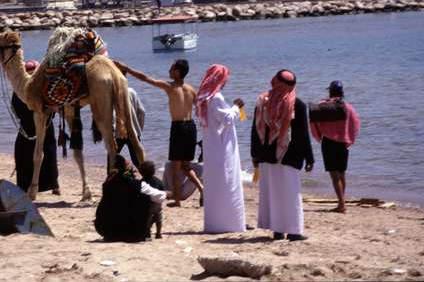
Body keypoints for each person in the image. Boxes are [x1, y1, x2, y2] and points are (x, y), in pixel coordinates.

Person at [114, 59, 203, 207]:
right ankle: (202, 189)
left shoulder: (169, 86)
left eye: (172, 68)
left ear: (177, 72)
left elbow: (146, 78)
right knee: (186, 166)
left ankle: (177, 201)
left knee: (176, 166)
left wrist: (127, 68)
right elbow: (201, 108)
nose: (169, 70)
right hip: (191, 128)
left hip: (178, 128)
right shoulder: (191, 89)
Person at [251, 70, 314, 241]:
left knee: (273, 193)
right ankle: (293, 231)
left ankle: (277, 231)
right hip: (288, 155)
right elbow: (302, 134)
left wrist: (255, 154)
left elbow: (255, 130)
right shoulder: (297, 105)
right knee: (291, 193)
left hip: (266, 155)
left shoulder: (262, 101)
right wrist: (309, 157)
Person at [196, 64, 246, 233]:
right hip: (221, 146)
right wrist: (236, 107)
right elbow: (227, 119)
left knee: (216, 184)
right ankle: (229, 223)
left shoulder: (203, 97)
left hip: (212, 145)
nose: (225, 82)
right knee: (227, 181)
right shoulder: (215, 97)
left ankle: (217, 222)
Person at [310, 80, 361, 213]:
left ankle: (342, 204)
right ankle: (341, 202)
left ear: (330, 91)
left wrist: (318, 136)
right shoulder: (348, 107)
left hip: (328, 142)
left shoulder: (323, 105)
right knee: (341, 173)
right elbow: (355, 124)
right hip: (343, 143)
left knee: (334, 175)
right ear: (342, 92)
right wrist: (350, 139)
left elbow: (314, 121)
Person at [94, 154, 168, 242]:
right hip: (129, 233)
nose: (134, 170)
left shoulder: (108, 183)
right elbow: (159, 196)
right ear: (128, 171)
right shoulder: (136, 185)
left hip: (104, 229)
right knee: (145, 199)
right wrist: (169, 193)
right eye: (131, 168)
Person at [12, 60, 60, 194]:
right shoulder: (41, 88)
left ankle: (49, 184)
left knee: (48, 153)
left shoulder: (24, 89)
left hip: (33, 126)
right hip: (34, 126)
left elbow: (16, 109)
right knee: (33, 154)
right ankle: (50, 185)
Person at [116, 69, 146, 167]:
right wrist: (138, 129)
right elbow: (142, 112)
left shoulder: (112, 93)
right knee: (138, 161)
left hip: (118, 133)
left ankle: (111, 180)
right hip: (133, 131)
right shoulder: (132, 92)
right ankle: (146, 180)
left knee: (112, 159)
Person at [139, 160, 164, 239]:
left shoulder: (142, 182)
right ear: (154, 171)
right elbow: (162, 190)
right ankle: (158, 233)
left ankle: (147, 233)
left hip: (147, 204)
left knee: (148, 218)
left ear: (141, 172)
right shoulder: (158, 181)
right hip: (157, 202)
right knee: (158, 217)